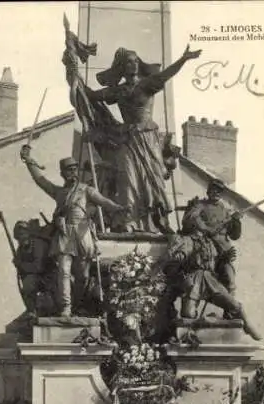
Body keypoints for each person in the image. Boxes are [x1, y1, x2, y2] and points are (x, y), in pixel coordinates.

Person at [85, 44, 202, 233]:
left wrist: (183, 59)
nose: (133, 65)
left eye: (135, 61)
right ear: (122, 67)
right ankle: (128, 220)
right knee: (127, 178)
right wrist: (73, 71)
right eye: (129, 62)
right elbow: (91, 96)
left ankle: (157, 221)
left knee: (153, 180)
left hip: (148, 138)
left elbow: (166, 75)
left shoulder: (147, 84)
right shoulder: (118, 91)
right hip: (127, 139)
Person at [20, 145, 129, 317]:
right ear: (62, 173)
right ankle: (65, 308)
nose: (72, 172)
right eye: (68, 170)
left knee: (82, 277)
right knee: (63, 271)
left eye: (74, 169)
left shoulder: (86, 190)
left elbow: (103, 201)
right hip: (64, 235)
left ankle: (78, 305)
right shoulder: (59, 192)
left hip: (82, 233)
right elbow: (40, 180)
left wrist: (118, 208)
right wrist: (28, 162)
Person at [164, 231, 262, 341]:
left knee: (232, 304)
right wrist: (183, 277)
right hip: (195, 279)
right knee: (188, 314)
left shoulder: (212, 241)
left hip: (210, 279)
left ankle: (247, 324)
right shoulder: (187, 241)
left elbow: (218, 264)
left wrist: (226, 259)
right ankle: (196, 331)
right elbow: (171, 265)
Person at [181, 178, 241, 299]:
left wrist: (236, 221)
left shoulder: (225, 210)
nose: (216, 193)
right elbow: (189, 220)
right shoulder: (201, 206)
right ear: (208, 192)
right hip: (206, 249)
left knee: (230, 280)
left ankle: (230, 312)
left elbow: (234, 235)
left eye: (219, 191)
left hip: (224, 251)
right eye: (214, 191)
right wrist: (206, 229)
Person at [13, 219, 53, 315]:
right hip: (38, 278)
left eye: (23, 234)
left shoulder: (38, 244)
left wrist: (21, 264)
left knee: (29, 283)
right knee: (27, 284)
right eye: (19, 236)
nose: (21, 238)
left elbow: (38, 267)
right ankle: (31, 309)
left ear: (28, 234)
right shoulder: (20, 250)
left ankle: (34, 310)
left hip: (50, 278)